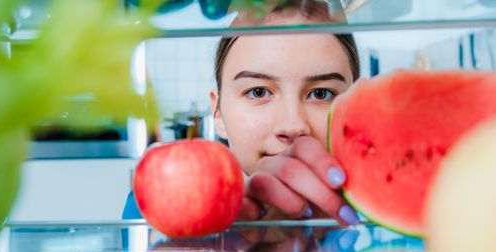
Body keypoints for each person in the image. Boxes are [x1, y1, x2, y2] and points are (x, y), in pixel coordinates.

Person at [124, 0, 361, 226]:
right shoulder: (155, 205)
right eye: (258, 92)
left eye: (321, 94)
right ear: (218, 113)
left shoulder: (387, 209)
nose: (292, 125)